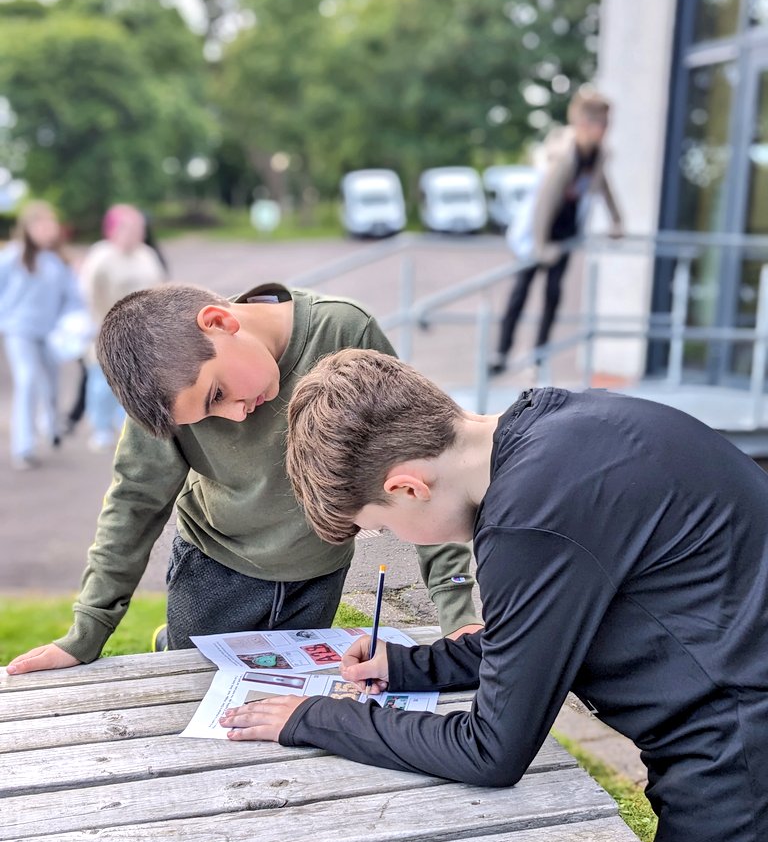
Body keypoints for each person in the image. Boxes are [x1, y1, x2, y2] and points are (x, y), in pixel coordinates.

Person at [223, 349, 768, 842]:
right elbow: (543, 628)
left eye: (384, 528)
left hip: (741, 777)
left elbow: (492, 750)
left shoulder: (527, 523)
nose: (400, 538)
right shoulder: (555, 433)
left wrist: (314, 718)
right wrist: (408, 666)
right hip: (739, 737)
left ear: (407, 487)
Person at [6, 284, 479, 675]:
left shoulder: (346, 331)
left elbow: (419, 467)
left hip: (317, 575)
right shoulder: (164, 391)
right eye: (207, 413)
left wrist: (457, 613)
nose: (231, 416)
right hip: (213, 572)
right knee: (198, 699)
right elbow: (135, 502)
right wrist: (87, 632)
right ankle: (171, 640)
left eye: (217, 392)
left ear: (220, 322)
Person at [490, 88, 624, 376]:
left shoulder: (598, 155)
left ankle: (539, 355)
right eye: (600, 124)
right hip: (539, 231)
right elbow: (544, 204)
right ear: (584, 124)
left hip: (565, 229)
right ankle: (501, 352)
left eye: (606, 124)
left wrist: (617, 220)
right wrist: (539, 247)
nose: (604, 130)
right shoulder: (565, 157)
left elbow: (603, 186)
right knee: (521, 290)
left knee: (553, 293)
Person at [0, 200, 85, 469]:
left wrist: (71, 326)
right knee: (26, 380)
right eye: (42, 224)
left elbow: (73, 300)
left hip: (50, 333)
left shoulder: (59, 261)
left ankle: (51, 429)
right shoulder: (12, 257)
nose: (48, 229)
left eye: (51, 224)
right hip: (19, 331)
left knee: (51, 384)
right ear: (28, 228)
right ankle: (22, 447)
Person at [79, 205, 165, 451]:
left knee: (136, 381)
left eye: (141, 227)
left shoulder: (146, 254)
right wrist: (98, 324)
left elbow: (158, 287)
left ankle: (127, 425)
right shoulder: (100, 256)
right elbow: (89, 293)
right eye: (134, 227)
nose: (140, 232)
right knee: (102, 380)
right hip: (106, 325)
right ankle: (101, 426)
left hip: (141, 328)